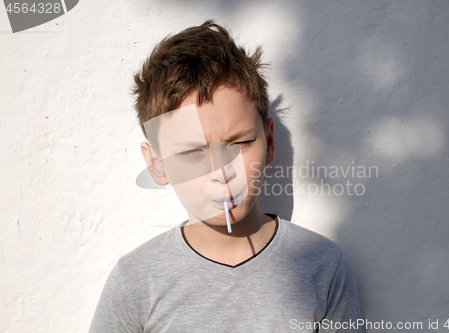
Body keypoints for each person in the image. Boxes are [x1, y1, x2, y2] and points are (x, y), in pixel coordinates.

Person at [89, 20, 362, 333]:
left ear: (269, 143)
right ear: (157, 164)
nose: (220, 172)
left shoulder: (323, 265)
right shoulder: (135, 280)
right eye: (192, 152)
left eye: (240, 143)